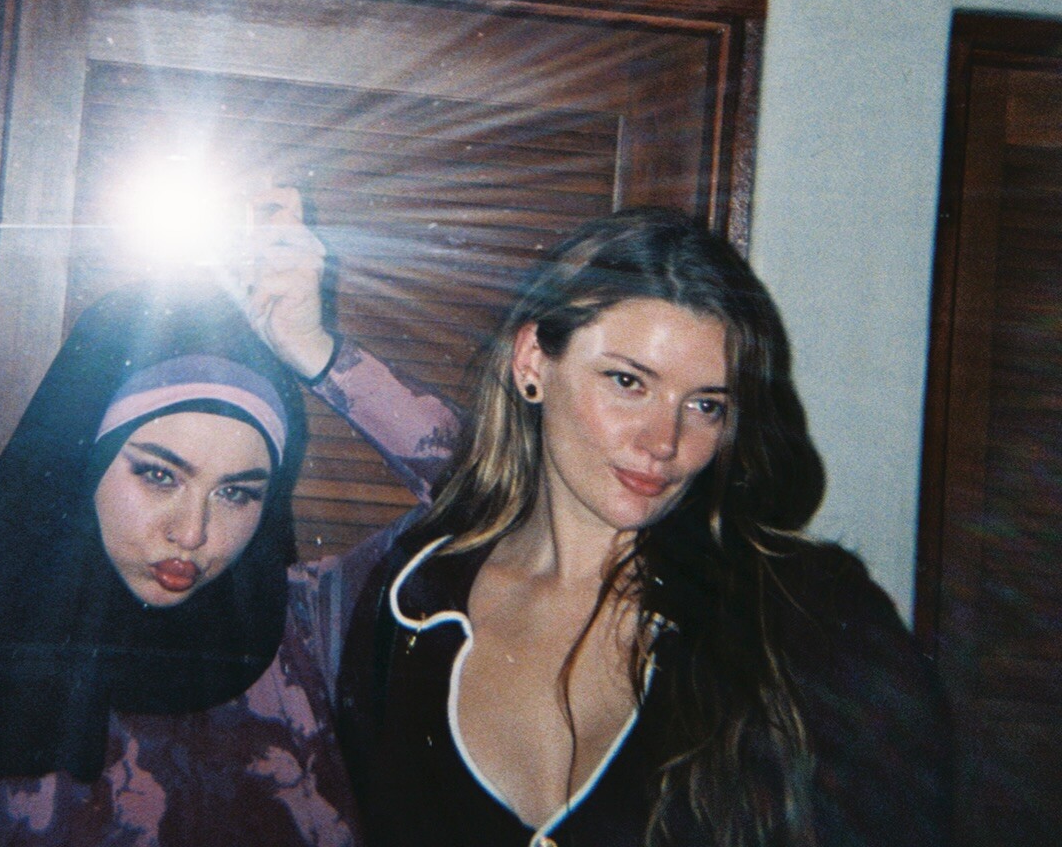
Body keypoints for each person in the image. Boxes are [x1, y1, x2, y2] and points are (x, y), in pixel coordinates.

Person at [0, 191, 458, 847]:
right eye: (159, 475)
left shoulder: (304, 636)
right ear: (84, 462)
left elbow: (494, 497)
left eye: (237, 494)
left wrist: (318, 352)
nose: (192, 533)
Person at [335, 207, 951, 847]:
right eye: (628, 382)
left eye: (705, 405)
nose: (664, 441)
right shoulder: (410, 601)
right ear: (533, 362)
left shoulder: (815, 618)